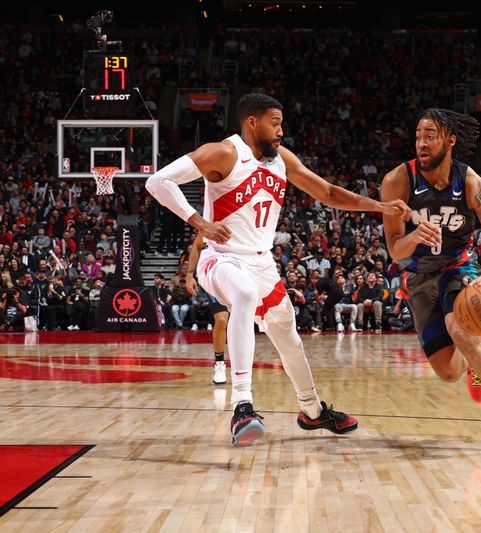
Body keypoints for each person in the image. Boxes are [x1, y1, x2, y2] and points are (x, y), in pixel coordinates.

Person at [146, 93, 410, 446]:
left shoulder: (281, 159)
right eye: (276, 122)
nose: (282, 130)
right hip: (220, 258)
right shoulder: (224, 153)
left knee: (289, 339)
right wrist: (201, 222)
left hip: (262, 263)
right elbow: (158, 181)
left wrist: (378, 206)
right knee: (242, 294)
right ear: (253, 123)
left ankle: (312, 411)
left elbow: (328, 193)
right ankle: (242, 405)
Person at [380, 108, 481, 456]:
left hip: (457, 267)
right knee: (447, 372)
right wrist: (416, 237)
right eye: (419, 135)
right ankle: (472, 365)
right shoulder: (397, 181)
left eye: (430, 135)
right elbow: (394, 250)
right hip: (417, 277)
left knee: (462, 329)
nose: (422, 141)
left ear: (449, 141)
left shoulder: (470, 184)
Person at [186, 232, 230, 385]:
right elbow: (197, 246)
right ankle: (219, 363)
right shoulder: (211, 221)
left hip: (243, 273)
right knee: (222, 319)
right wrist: (190, 275)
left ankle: (242, 369)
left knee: (242, 324)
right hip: (218, 278)